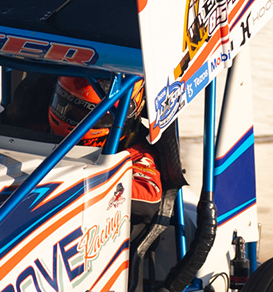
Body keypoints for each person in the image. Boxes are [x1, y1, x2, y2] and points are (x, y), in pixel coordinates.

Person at [46, 75, 182, 206]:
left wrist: (74, 185)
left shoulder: (137, 154)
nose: (78, 121)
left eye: (90, 117)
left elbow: (149, 194)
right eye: (65, 106)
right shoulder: (36, 128)